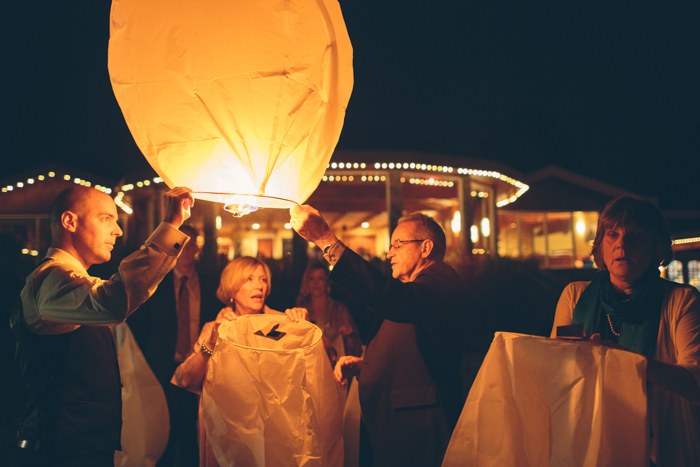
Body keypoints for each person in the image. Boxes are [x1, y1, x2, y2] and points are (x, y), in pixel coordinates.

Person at [10, 185, 194, 466]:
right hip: (56, 452)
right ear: (69, 221)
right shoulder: (50, 278)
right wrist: (171, 225)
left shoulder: (75, 281)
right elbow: (112, 302)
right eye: (106, 218)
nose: (118, 230)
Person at [290, 206, 466, 467]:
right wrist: (366, 365)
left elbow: (395, 300)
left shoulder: (440, 280)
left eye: (398, 244)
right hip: (396, 425)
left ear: (426, 248)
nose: (389, 253)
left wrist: (327, 240)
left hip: (418, 426)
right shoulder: (414, 290)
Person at [550, 196, 700, 466]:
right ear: (601, 246)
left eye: (635, 236)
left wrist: (624, 361)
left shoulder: (682, 300)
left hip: (658, 448)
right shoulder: (574, 296)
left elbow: (694, 382)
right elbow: (555, 373)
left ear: (656, 247)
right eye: (613, 234)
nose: (622, 244)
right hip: (587, 443)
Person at [171, 256, 308, 466]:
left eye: (263, 280)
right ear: (232, 288)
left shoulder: (281, 323)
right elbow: (185, 378)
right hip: (228, 431)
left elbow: (315, 363)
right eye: (249, 279)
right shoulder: (215, 328)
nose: (259, 286)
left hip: (275, 429)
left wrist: (302, 328)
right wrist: (211, 345)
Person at [127, 224, 219, 466]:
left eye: (192, 243)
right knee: (163, 432)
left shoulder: (209, 283)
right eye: (182, 244)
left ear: (198, 247)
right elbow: (142, 324)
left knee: (195, 435)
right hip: (162, 367)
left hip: (199, 368)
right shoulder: (157, 283)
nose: (187, 249)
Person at [296, 262, 363, 366]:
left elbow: (354, 349)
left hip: (334, 368)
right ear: (306, 282)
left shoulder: (339, 310)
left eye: (321, 279)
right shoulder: (301, 311)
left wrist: (349, 335)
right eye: (311, 278)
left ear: (327, 282)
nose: (316, 283)